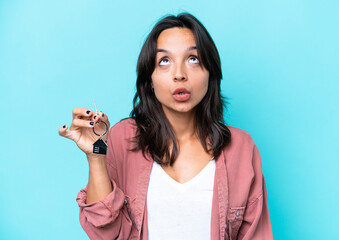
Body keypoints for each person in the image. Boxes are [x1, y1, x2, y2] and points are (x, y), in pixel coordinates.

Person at [59, 13, 273, 240]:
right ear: (149, 79)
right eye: (164, 61)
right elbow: (105, 232)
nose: (179, 74)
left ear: (210, 72)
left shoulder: (241, 147)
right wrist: (96, 156)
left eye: (193, 59)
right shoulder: (122, 138)